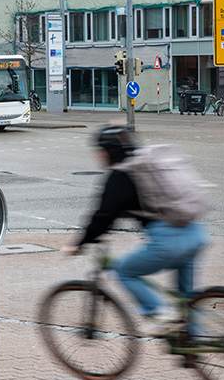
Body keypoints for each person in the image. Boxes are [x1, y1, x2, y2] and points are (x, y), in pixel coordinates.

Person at [62, 125, 209, 336]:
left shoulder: (121, 175)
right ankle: (196, 341)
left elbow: (102, 217)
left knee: (125, 272)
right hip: (196, 233)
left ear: (108, 152)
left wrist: (79, 244)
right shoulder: (148, 165)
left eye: (100, 150)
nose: (98, 155)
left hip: (168, 241)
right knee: (185, 297)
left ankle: (158, 312)